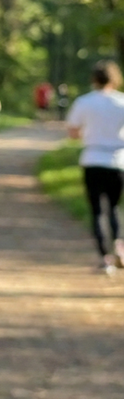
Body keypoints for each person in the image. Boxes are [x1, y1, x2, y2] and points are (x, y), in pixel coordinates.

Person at [65, 60, 124, 275]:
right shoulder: (121, 102)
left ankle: (105, 258)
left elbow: (73, 132)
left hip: (93, 158)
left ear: (94, 79)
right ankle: (119, 245)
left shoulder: (85, 102)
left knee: (97, 211)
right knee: (114, 208)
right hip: (118, 160)